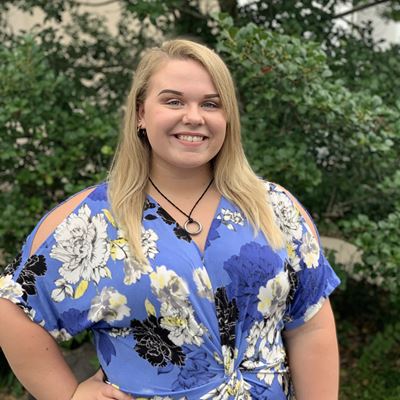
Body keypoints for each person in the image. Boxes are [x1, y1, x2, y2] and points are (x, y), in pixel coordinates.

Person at [0, 39, 340, 400]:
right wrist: (68, 395)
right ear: (141, 114)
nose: (193, 116)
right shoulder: (92, 220)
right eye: (173, 101)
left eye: (210, 104)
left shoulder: (273, 208)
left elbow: (310, 325)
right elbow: (13, 307)